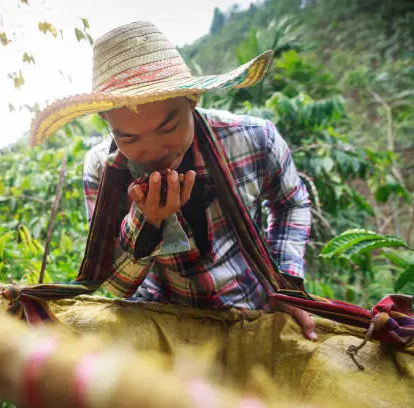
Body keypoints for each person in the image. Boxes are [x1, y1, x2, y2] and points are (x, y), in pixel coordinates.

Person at [29, 21, 316, 340]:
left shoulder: (253, 139)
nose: (152, 151)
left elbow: (291, 201)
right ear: (106, 123)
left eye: (168, 129)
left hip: (253, 311)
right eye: (130, 138)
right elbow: (113, 283)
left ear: (192, 100)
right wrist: (146, 222)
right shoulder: (103, 168)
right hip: (159, 326)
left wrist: (287, 283)